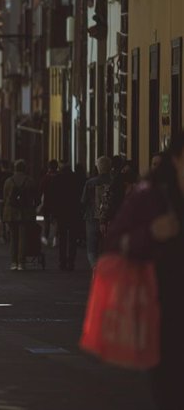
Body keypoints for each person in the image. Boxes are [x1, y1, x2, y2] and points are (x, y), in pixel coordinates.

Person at [103, 134, 184, 410]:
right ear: (176, 160)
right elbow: (114, 244)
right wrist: (150, 233)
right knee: (170, 386)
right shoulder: (151, 196)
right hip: (164, 309)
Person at [2, 159, 38, 271]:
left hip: (11, 212)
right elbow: (35, 197)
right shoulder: (29, 181)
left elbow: (5, 197)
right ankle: (21, 263)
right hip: (25, 212)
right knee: (23, 238)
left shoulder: (9, 181)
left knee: (13, 238)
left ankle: (13, 262)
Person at [47, 160, 82, 270]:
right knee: (72, 238)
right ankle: (71, 261)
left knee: (62, 237)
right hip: (74, 211)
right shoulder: (77, 179)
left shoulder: (57, 179)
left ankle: (62, 261)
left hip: (61, 212)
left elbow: (52, 197)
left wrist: (52, 213)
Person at [81, 156, 112, 269]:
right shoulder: (114, 181)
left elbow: (83, 200)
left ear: (98, 167)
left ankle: (95, 267)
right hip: (109, 218)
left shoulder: (90, 183)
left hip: (92, 217)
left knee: (92, 246)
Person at [39, 160, 59, 247]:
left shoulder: (45, 178)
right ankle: (55, 238)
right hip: (57, 202)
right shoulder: (59, 177)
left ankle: (46, 238)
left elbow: (40, 190)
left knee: (46, 221)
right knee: (56, 221)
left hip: (47, 202)